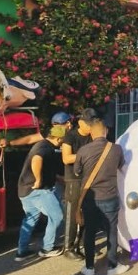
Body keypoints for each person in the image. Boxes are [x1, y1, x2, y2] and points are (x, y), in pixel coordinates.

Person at [74, 108, 128, 275]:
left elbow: (77, 171)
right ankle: (113, 266)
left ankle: (89, 267)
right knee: (111, 231)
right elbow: (122, 168)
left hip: (90, 198)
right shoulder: (116, 149)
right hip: (110, 197)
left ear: (91, 133)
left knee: (89, 231)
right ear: (106, 131)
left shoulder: (83, 151)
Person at [14, 122, 64, 261]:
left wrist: (59, 178)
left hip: (24, 190)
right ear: (58, 139)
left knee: (30, 219)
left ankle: (22, 251)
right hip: (38, 190)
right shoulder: (46, 148)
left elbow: (45, 167)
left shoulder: (42, 144)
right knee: (57, 216)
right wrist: (38, 180)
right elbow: (37, 159)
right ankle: (47, 248)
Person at [56, 111, 90, 259]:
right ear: (81, 123)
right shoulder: (70, 136)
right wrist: (86, 154)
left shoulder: (91, 136)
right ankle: (68, 247)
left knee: (87, 213)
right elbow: (66, 158)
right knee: (71, 213)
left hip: (87, 178)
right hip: (73, 180)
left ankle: (83, 244)